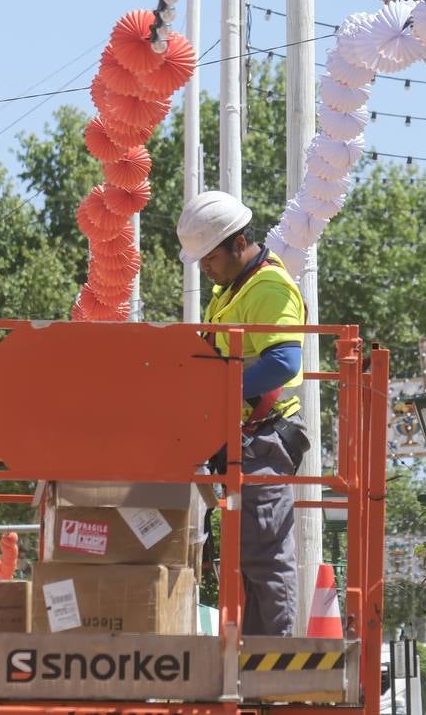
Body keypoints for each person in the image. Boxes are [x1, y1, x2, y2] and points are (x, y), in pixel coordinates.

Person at [177, 190, 311, 637]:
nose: (204, 268)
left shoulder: (269, 287)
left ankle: (275, 670)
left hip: (265, 439)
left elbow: (283, 363)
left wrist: (217, 389)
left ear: (238, 243)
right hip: (243, 443)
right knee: (244, 559)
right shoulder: (231, 291)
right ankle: (255, 668)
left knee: (265, 558)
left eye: (209, 257)